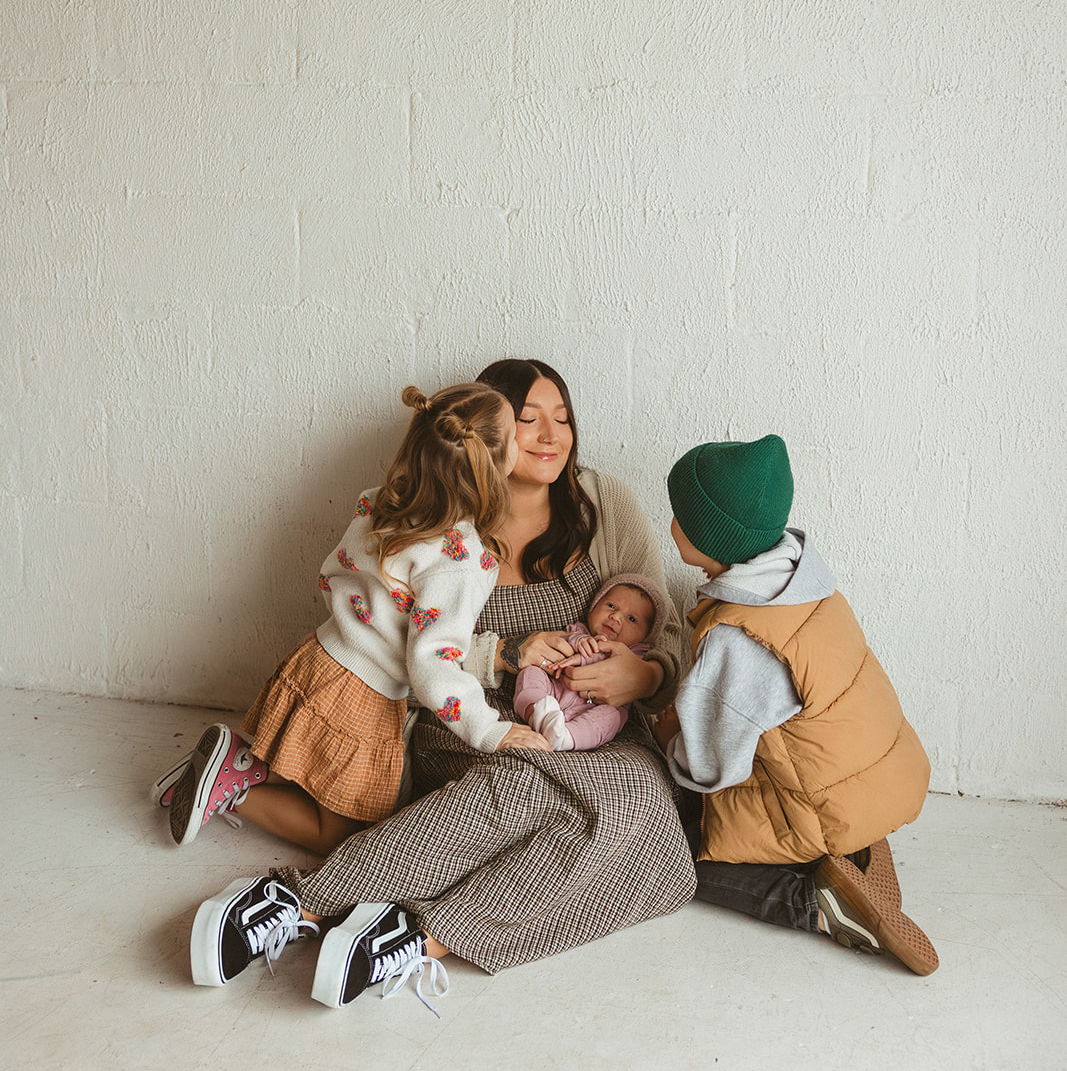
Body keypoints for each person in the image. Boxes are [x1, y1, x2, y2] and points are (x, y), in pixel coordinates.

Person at [186, 358, 696, 1007]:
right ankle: (298, 902)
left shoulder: (604, 504)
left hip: (602, 731)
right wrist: (510, 655)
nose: (550, 436)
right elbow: (411, 646)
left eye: (562, 419)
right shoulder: (451, 518)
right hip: (463, 721)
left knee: (650, 821)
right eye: (528, 420)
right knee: (571, 799)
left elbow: (667, 629)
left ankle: (413, 934)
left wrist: (645, 673)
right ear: (483, 438)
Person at [166, 381, 546, 867]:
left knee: (308, 768)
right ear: (493, 468)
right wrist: (491, 731)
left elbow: (343, 582)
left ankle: (202, 776)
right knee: (343, 839)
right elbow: (433, 666)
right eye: (518, 434)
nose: (526, 441)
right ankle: (231, 786)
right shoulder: (458, 559)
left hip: (321, 655)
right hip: (363, 694)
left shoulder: (385, 500)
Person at [656, 433, 939, 975]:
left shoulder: (738, 636)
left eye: (679, 516)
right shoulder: (803, 582)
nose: (670, 523)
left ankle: (815, 903)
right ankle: (853, 850)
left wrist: (669, 730)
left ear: (709, 536)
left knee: (670, 860)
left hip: (815, 810)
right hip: (872, 777)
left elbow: (710, 766)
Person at [514, 572, 666, 751]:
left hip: (591, 709)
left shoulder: (637, 656)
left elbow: (628, 673)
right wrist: (579, 642)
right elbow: (564, 640)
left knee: (612, 717)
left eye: (631, 618)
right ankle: (535, 712)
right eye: (611, 606)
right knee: (531, 672)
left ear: (646, 636)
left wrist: (589, 657)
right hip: (553, 694)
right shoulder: (579, 632)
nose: (616, 617)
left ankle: (566, 737)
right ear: (594, 606)